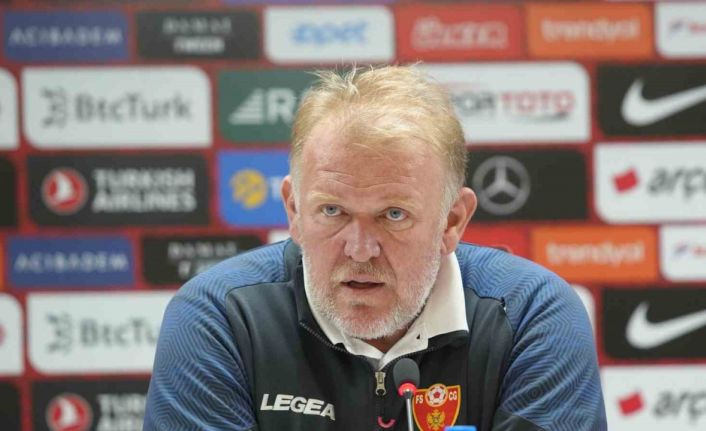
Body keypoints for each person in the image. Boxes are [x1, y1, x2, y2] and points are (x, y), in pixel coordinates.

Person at [143, 65, 606, 431]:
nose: (360, 250)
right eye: (332, 211)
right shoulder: (220, 318)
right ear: (294, 211)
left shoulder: (532, 315)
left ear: (452, 221)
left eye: (393, 215)